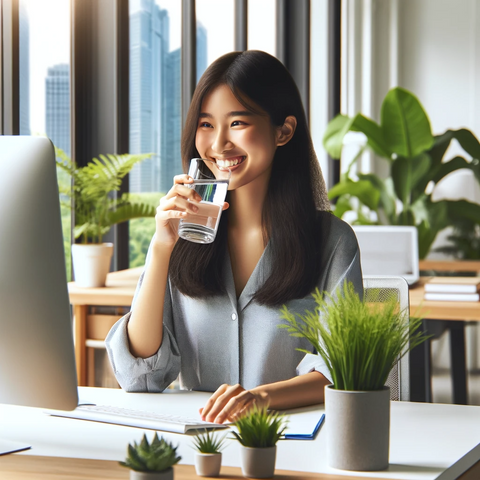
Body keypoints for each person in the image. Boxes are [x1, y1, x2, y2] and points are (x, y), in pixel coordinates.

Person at [106, 50, 362, 424]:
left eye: (237, 122)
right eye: (206, 125)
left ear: (283, 131)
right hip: (199, 443)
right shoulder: (183, 234)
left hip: (291, 444)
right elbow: (140, 376)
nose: (219, 144)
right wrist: (161, 248)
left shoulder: (333, 241)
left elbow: (342, 371)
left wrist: (259, 398)